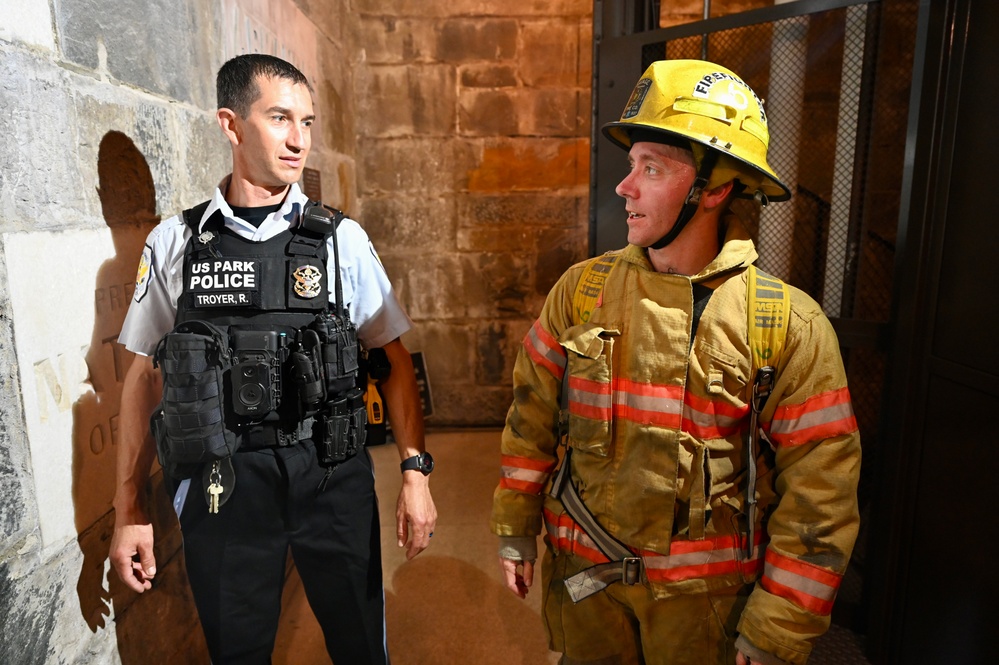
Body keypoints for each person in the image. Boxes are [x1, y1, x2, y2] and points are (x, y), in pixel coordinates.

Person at [490, 59, 861, 665]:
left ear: (714, 190)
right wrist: (514, 527)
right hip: (586, 595)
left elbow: (821, 494)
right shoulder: (582, 292)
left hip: (703, 614)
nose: (625, 187)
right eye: (632, 165)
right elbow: (528, 420)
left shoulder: (785, 325)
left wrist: (777, 628)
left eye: (652, 168)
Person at [109, 53, 437, 664]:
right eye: (280, 118)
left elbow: (391, 359)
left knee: (362, 647)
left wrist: (415, 473)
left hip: (332, 474)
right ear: (231, 124)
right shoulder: (177, 243)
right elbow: (143, 379)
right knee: (238, 652)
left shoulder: (340, 239)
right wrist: (129, 508)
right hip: (221, 484)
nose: (299, 140)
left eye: (307, 122)